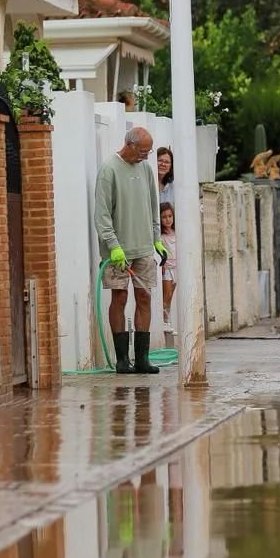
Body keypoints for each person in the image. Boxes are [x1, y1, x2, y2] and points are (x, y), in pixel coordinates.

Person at [94, 127, 169, 374]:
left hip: (144, 248)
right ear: (129, 144)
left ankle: (142, 359)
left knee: (145, 297)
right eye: (143, 151)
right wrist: (113, 247)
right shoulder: (109, 169)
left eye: (149, 152)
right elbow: (102, 215)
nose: (147, 157)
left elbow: (152, 206)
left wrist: (156, 239)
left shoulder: (145, 169)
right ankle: (122, 360)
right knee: (120, 297)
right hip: (118, 252)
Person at [159, 202, 178, 346]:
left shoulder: (177, 233)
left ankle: (168, 320)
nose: (168, 219)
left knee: (171, 296)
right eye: (164, 217)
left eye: (170, 216)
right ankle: (165, 321)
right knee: (167, 295)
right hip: (167, 269)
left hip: (176, 268)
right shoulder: (161, 236)